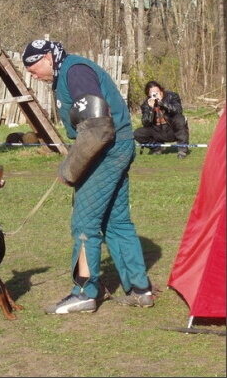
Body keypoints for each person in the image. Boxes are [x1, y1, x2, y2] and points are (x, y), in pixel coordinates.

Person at [22, 39, 154, 314]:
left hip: (105, 151)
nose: (31, 74)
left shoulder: (75, 71)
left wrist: (69, 170)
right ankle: (140, 290)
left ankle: (84, 292)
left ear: (48, 57)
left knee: (84, 225)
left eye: (32, 67)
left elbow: (98, 128)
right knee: (116, 221)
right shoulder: (69, 71)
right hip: (116, 147)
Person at [134, 80, 189, 158]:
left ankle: (182, 150)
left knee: (180, 119)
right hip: (158, 131)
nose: (155, 94)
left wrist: (162, 102)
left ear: (161, 90)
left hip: (172, 129)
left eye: (157, 92)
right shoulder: (146, 104)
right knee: (138, 133)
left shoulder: (172, 96)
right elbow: (145, 123)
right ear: (148, 94)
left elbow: (178, 110)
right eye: (152, 93)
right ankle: (157, 148)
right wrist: (150, 109)